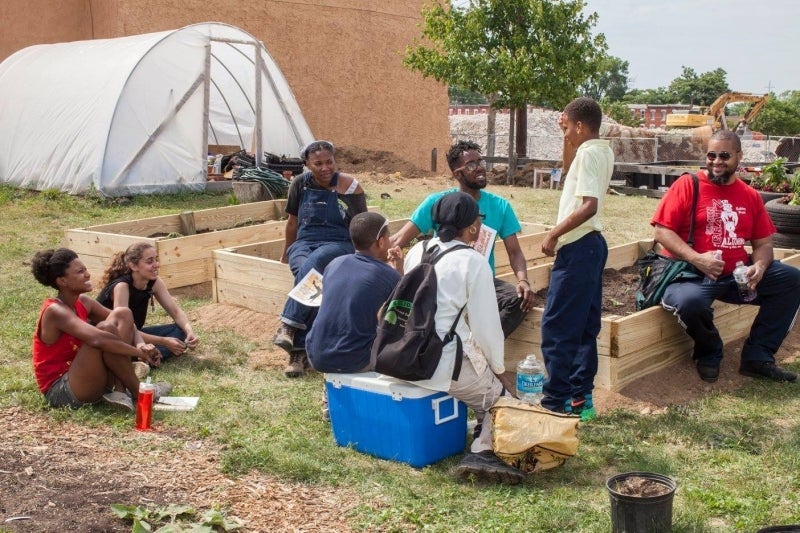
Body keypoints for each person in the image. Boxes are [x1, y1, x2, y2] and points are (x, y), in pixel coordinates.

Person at [652, 129, 800, 383]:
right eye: (711, 155)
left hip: (735, 276)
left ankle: (758, 357)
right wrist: (697, 258)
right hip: (691, 274)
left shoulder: (750, 195)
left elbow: (764, 244)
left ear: (738, 157)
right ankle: (709, 353)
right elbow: (662, 231)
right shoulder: (689, 185)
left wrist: (761, 267)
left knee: (791, 280)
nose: (716, 161)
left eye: (724, 155)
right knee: (690, 302)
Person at [403, 192, 524, 484]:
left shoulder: (416, 251)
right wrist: (498, 370)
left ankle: (475, 427)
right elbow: (486, 326)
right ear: (472, 227)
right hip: (441, 364)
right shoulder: (472, 261)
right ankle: (483, 452)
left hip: (406, 356)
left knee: (476, 382)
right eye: (479, 221)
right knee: (504, 401)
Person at [390, 140, 535, 338]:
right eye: (471, 165)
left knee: (518, 299)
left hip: (481, 281)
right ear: (457, 174)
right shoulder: (437, 202)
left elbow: (515, 251)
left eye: (480, 161)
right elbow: (399, 238)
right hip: (443, 278)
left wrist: (523, 280)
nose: (480, 168)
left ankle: (478, 347)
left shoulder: (500, 206)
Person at [539, 97, 614, 421]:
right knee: (584, 325)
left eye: (568, 128)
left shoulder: (588, 153)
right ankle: (580, 399)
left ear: (581, 126)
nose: (566, 133)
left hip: (578, 246)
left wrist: (553, 233)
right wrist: (564, 136)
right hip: (593, 246)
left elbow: (589, 205)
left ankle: (554, 403)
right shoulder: (600, 150)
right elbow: (569, 166)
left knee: (557, 326)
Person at [31, 248, 171, 411]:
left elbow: (127, 322)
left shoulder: (83, 301)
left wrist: (140, 344)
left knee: (122, 313)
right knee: (104, 331)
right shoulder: (55, 311)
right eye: (80, 272)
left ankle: (120, 392)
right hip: (63, 390)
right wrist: (139, 353)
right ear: (62, 281)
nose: (87, 275)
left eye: (85, 269)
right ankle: (140, 392)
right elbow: (98, 340)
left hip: (88, 377)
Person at [273, 140, 367, 377]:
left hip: (338, 243)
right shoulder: (298, 185)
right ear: (307, 165)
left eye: (329, 162)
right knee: (309, 273)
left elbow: (361, 225)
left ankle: (289, 325)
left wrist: (364, 256)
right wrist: (287, 251)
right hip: (304, 242)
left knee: (315, 264)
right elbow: (292, 222)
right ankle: (300, 352)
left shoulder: (349, 186)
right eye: (318, 164)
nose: (325, 168)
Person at [306, 212, 404, 374]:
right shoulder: (388, 275)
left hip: (316, 355)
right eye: (388, 237)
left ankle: (330, 385)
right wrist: (398, 269)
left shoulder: (334, 264)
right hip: (354, 360)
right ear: (380, 242)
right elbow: (404, 305)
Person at [97, 242, 199, 365]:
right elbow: (125, 330)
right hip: (114, 338)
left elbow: (176, 312)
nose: (156, 265)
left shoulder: (153, 282)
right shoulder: (122, 286)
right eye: (149, 262)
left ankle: (147, 358)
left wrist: (189, 332)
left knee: (180, 331)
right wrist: (164, 341)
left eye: (156, 259)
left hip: (136, 335)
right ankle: (144, 358)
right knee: (170, 340)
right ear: (134, 266)